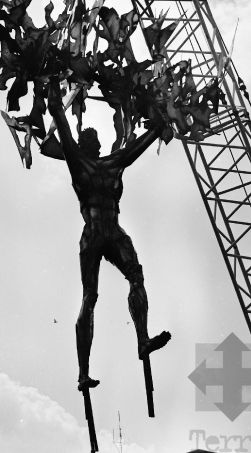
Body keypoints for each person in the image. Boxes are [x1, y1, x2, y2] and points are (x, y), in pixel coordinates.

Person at [48, 79, 171, 392]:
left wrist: (154, 111)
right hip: (93, 234)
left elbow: (144, 141)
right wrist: (51, 91)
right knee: (90, 297)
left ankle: (142, 339)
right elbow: (61, 123)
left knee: (136, 277)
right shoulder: (79, 164)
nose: (95, 144)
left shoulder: (112, 163)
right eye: (89, 141)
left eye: (96, 140)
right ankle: (83, 373)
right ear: (83, 146)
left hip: (113, 232)